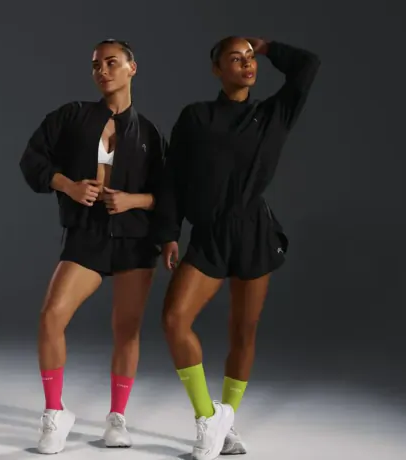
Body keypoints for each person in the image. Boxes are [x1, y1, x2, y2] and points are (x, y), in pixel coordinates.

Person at [152, 36, 321, 460]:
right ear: (216, 69)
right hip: (208, 234)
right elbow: (172, 178)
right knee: (175, 320)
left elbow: (308, 65)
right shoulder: (196, 117)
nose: (247, 64)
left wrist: (266, 46)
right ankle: (209, 417)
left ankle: (226, 425)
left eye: (250, 59)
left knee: (243, 331)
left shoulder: (272, 113)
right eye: (236, 58)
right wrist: (169, 232)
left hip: (253, 232)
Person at [18, 39, 167, 455]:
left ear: (132, 68)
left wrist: (131, 201)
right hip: (86, 233)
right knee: (51, 317)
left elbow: (166, 194)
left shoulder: (150, 133)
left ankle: (116, 417)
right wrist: (68, 185)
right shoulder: (72, 116)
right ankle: (54, 413)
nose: (102, 71)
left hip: (135, 239)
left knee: (127, 330)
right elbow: (32, 160)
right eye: (96, 65)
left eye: (112, 63)